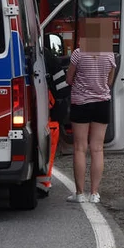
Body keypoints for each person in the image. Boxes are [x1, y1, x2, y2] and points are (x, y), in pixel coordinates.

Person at [65, 17, 118, 204]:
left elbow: (69, 80)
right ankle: (95, 193)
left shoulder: (78, 54)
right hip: (102, 103)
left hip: (81, 103)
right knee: (97, 148)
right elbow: (109, 82)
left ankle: (79, 194)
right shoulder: (109, 55)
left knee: (80, 148)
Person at [38, 38, 71, 197]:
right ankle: (42, 183)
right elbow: (62, 89)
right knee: (48, 147)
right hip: (48, 115)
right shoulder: (45, 55)